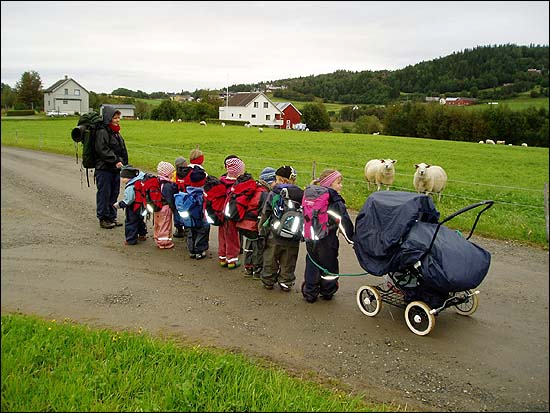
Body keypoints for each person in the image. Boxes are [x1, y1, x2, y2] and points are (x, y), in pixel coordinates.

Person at [301, 169, 354, 303]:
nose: (341, 186)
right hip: (327, 239)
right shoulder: (335, 201)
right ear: (329, 184)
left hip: (311, 238)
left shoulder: (311, 195)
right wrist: (351, 238)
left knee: (312, 264)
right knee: (329, 266)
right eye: (338, 183)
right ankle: (327, 291)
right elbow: (343, 221)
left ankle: (310, 292)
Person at [259, 165, 304, 291]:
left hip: (275, 233)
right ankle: (286, 281)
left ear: (283, 180)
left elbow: (266, 211)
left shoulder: (275, 193)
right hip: (294, 235)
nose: (276, 182)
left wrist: (261, 227)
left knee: (271, 257)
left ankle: (268, 280)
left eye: (277, 179)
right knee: (289, 259)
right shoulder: (301, 194)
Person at [94, 106, 128, 229]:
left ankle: (111, 216)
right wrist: (116, 161)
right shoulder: (102, 132)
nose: (118, 120)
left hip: (114, 169)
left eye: (118, 117)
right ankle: (103, 218)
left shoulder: (115, 132)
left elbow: (121, 149)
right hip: (104, 169)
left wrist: (124, 162)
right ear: (109, 118)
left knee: (114, 193)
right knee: (104, 193)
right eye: (115, 117)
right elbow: (102, 149)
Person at [242, 167, 276, 278]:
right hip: (255, 225)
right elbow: (264, 212)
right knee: (258, 247)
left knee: (249, 245)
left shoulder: (254, 188)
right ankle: (257, 269)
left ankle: (248, 267)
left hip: (246, 223)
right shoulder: (265, 194)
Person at [218, 156, 246, 269]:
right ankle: (232, 260)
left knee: (222, 236)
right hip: (231, 215)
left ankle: (222, 257)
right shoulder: (237, 185)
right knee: (232, 238)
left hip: (220, 214)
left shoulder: (221, 181)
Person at [113, 165, 147, 245]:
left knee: (130, 222)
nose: (122, 180)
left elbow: (128, 200)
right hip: (141, 206)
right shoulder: (139, 182)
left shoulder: (130, 187)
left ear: (129, 178)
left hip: (133, 208)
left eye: (123, 178)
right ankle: (142, 234)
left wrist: (119, 205)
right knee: (140, 220)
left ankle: (131, 239)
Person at [185, 166, 210, 259]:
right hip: (201, 216)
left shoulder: (188, 191)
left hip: (190, 217)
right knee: (202, 232)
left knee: (191, 232)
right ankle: (199, 250)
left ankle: (192, 250)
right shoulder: (202, 194)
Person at [154, 161, 178, 249]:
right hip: (165, 207)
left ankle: (157, 238)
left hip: (157, 206)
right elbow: (169, 199)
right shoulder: (167, 185)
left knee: (158, 224)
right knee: (165, 224)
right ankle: (164, 242)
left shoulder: (157, 181)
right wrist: (173, 208)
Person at [172, 156, 190, 239]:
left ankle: (179, 229)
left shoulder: (175, 174)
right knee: (187, 214)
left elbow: (173, 183)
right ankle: (187, 229)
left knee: (177, 213)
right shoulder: (189, 172)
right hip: (187, 196)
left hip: (178, 197)